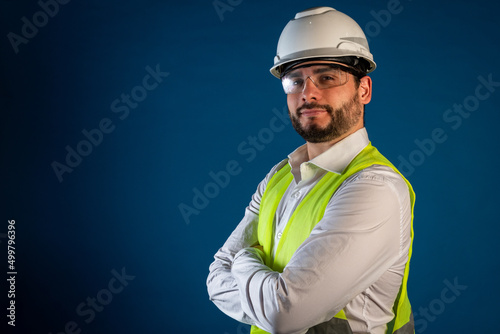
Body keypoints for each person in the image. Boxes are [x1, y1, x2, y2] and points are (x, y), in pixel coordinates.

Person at [207, 6, 415, 334]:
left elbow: (283, 315)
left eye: (327, 77)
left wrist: (246, 259)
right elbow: (216, 280)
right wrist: (268, 294)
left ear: (364, 90)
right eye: (295, 80)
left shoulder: (374, 188)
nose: (308, 93)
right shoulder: (278, 178)